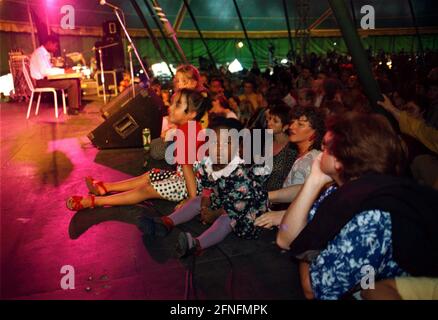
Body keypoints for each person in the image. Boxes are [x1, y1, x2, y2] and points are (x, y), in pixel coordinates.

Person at [277, 112, 438, 300]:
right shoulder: (339, 190)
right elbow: (285, 239)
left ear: (338, 160)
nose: (320, 149)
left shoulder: (374, 213)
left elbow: (315, 288)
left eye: (326, 145)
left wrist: (307, 250)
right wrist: (314, 180)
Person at [138, 117, 269, 258]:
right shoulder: (209, 164)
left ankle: (196, 244)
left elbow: (237, 206)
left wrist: (214, 214)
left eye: (227, 143)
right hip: (224, 200)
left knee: (226, 219)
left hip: (245, 212)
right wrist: (206, 202)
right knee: (197, 200)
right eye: (215, 143)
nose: (219, 148)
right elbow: (208, 185)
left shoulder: (239, 174)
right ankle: (166, 222)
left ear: (237, 147)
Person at [66, 89, 210, 210]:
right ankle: (106, 187)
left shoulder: (189, 134)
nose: (170, 107)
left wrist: (192, 202)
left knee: (146, 190)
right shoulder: (189, 128)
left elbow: (188, 168)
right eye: (172, 102)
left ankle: (94, 202)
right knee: (152, 174)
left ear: (191, 114)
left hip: (191, 186)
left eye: (177, 105)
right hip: (186, 179)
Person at [255, 106, 325, 229]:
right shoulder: (300, 154)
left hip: (291, 225)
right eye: (293, 122)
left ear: (315, 132)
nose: (292, 127)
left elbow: (301, 200)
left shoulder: (309, 161)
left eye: (301, 124)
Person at [30, 35, 80, 115]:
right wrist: (64, 71)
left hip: (45, 79)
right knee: (72, 82)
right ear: (49, 43)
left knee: (75, 80)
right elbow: (45, 72)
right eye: (55, 46)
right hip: (41, 82)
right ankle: (73, 109)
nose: (56, 48)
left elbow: (48, 70)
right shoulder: (39, 54)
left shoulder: (44, 53)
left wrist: (63, 70)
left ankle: (76, 106)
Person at [265, 104, 297, 191]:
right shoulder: (269, 141)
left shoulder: (291, 149)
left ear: (285, 127)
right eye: (269, 118)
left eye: (275, 121)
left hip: (277, 196)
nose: (269, 123)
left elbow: (285, 180)